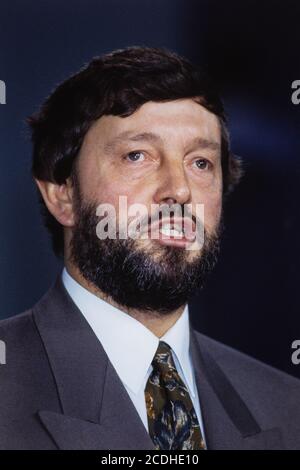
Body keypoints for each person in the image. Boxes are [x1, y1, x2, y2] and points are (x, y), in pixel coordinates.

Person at [0, 46, 299, 450]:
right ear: (62, 195)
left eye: (200, 163)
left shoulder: (287, 406)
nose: (178, 189)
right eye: (137, 155)